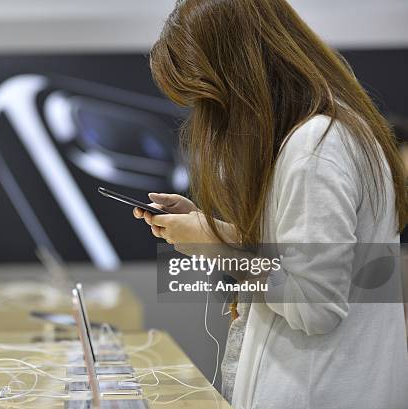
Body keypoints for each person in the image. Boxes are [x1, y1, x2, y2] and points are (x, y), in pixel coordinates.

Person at [134, 1, 408, 408]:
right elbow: (301, 258)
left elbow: (315, 305)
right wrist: (213, 229)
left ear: (239, 75)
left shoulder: (316, 147)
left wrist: (217, 247)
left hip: (318, 391)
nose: (211, 119)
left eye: (209, 98)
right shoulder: (325, 136)